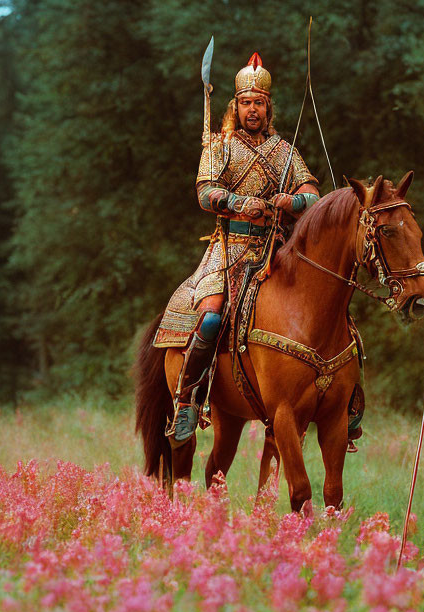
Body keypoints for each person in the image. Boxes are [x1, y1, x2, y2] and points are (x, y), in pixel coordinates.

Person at [153, 52, 320, 443]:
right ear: (236, 106)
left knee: (326, 303)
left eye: (259, 103)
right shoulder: (221, 144)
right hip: (228, 247)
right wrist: (236, 202)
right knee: (211, 316)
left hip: (277, 249)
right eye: (246, 103)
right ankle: (189, 401)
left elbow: (314, 194)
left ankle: (345, 399)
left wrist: (292, 202)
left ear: (268, 107)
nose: (253, 110)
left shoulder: (285, 151)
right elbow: (204, 192)